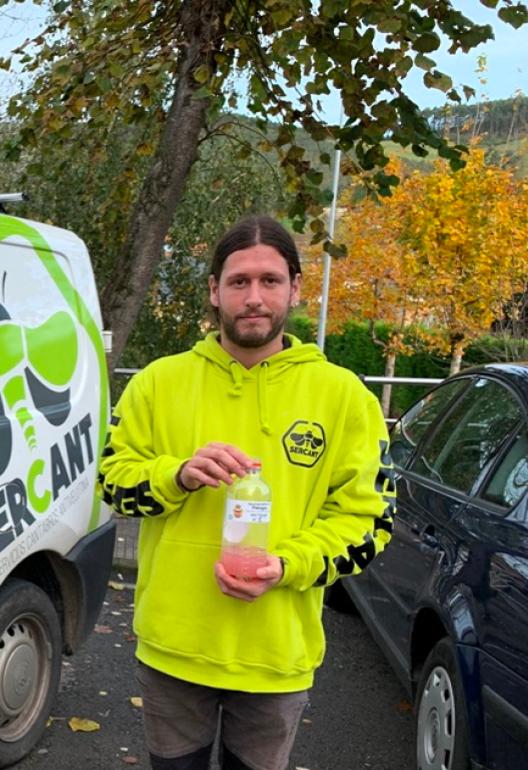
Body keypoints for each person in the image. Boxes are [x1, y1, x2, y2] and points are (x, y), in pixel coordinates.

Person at [98, 215, 394, 770]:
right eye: (238, 282)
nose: (253, 298)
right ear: (214, 291)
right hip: (173, 650)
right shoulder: (158, 383)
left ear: (296, 288)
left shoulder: (345, 397)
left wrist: (286, 565)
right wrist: (176, 474)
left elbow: (369, 522)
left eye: (269, 281)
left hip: (275, 655)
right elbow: (112, 483)